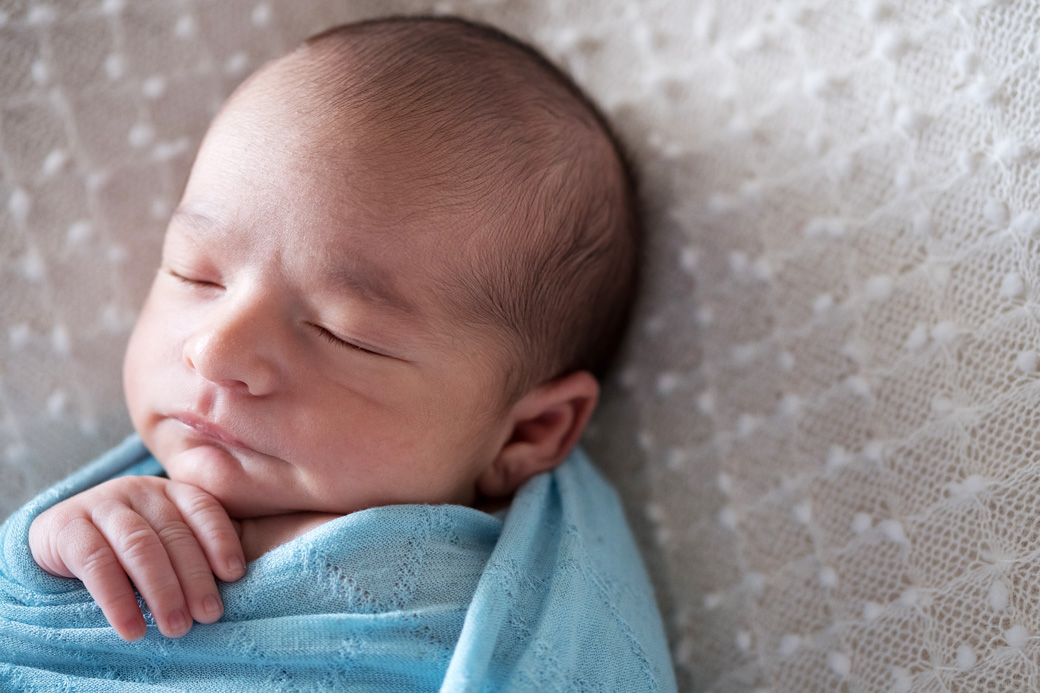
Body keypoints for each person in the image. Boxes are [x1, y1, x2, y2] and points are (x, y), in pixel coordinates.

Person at [9, 15, 670, 690]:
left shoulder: (537, 605)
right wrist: (51, 552)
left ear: (529, 430)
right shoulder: (123, 501)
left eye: (342, 333)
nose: (216, 351)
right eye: (194, 274)